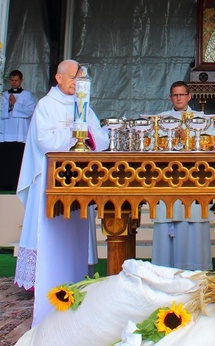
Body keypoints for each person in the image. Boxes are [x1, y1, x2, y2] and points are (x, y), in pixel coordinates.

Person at [15, 59, 109, 326]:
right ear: (58, 78)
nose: (77, 83)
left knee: (75, 235)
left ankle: (78, 282)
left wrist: (89, 133)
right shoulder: (46, 105)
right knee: (51, 234)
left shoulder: (84, 104)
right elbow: (44, 141)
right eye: (72, 78)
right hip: (50, 181)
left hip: (79, 182)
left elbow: (99, 138)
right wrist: (75, 132)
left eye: (80, 79)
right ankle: (46, 286)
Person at [152, 81, 213, 271]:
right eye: (175, 95)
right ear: (170, 98)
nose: (178, 98)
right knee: (167, 218)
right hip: (169, 178)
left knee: (193, 220)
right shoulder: (161, 119)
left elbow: (210, 144)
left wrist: (187, 136)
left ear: (189, 96)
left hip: (193, 179)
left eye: (182, 95)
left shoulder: (201, 119)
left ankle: (195, 269)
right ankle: (165, 271)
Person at [0, 70, 36, 190]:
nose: (14, 83)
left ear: (21, 80)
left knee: (17, 159)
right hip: (6, 132)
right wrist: (9, 106)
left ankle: (17, 182)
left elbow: (30, 110)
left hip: (20, 133)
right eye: (12, 80)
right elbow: (1, 111)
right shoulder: (4, 94)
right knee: (6, 158)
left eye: (16, 80)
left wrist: (15, 105)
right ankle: (4, 182)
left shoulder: (27, 95)